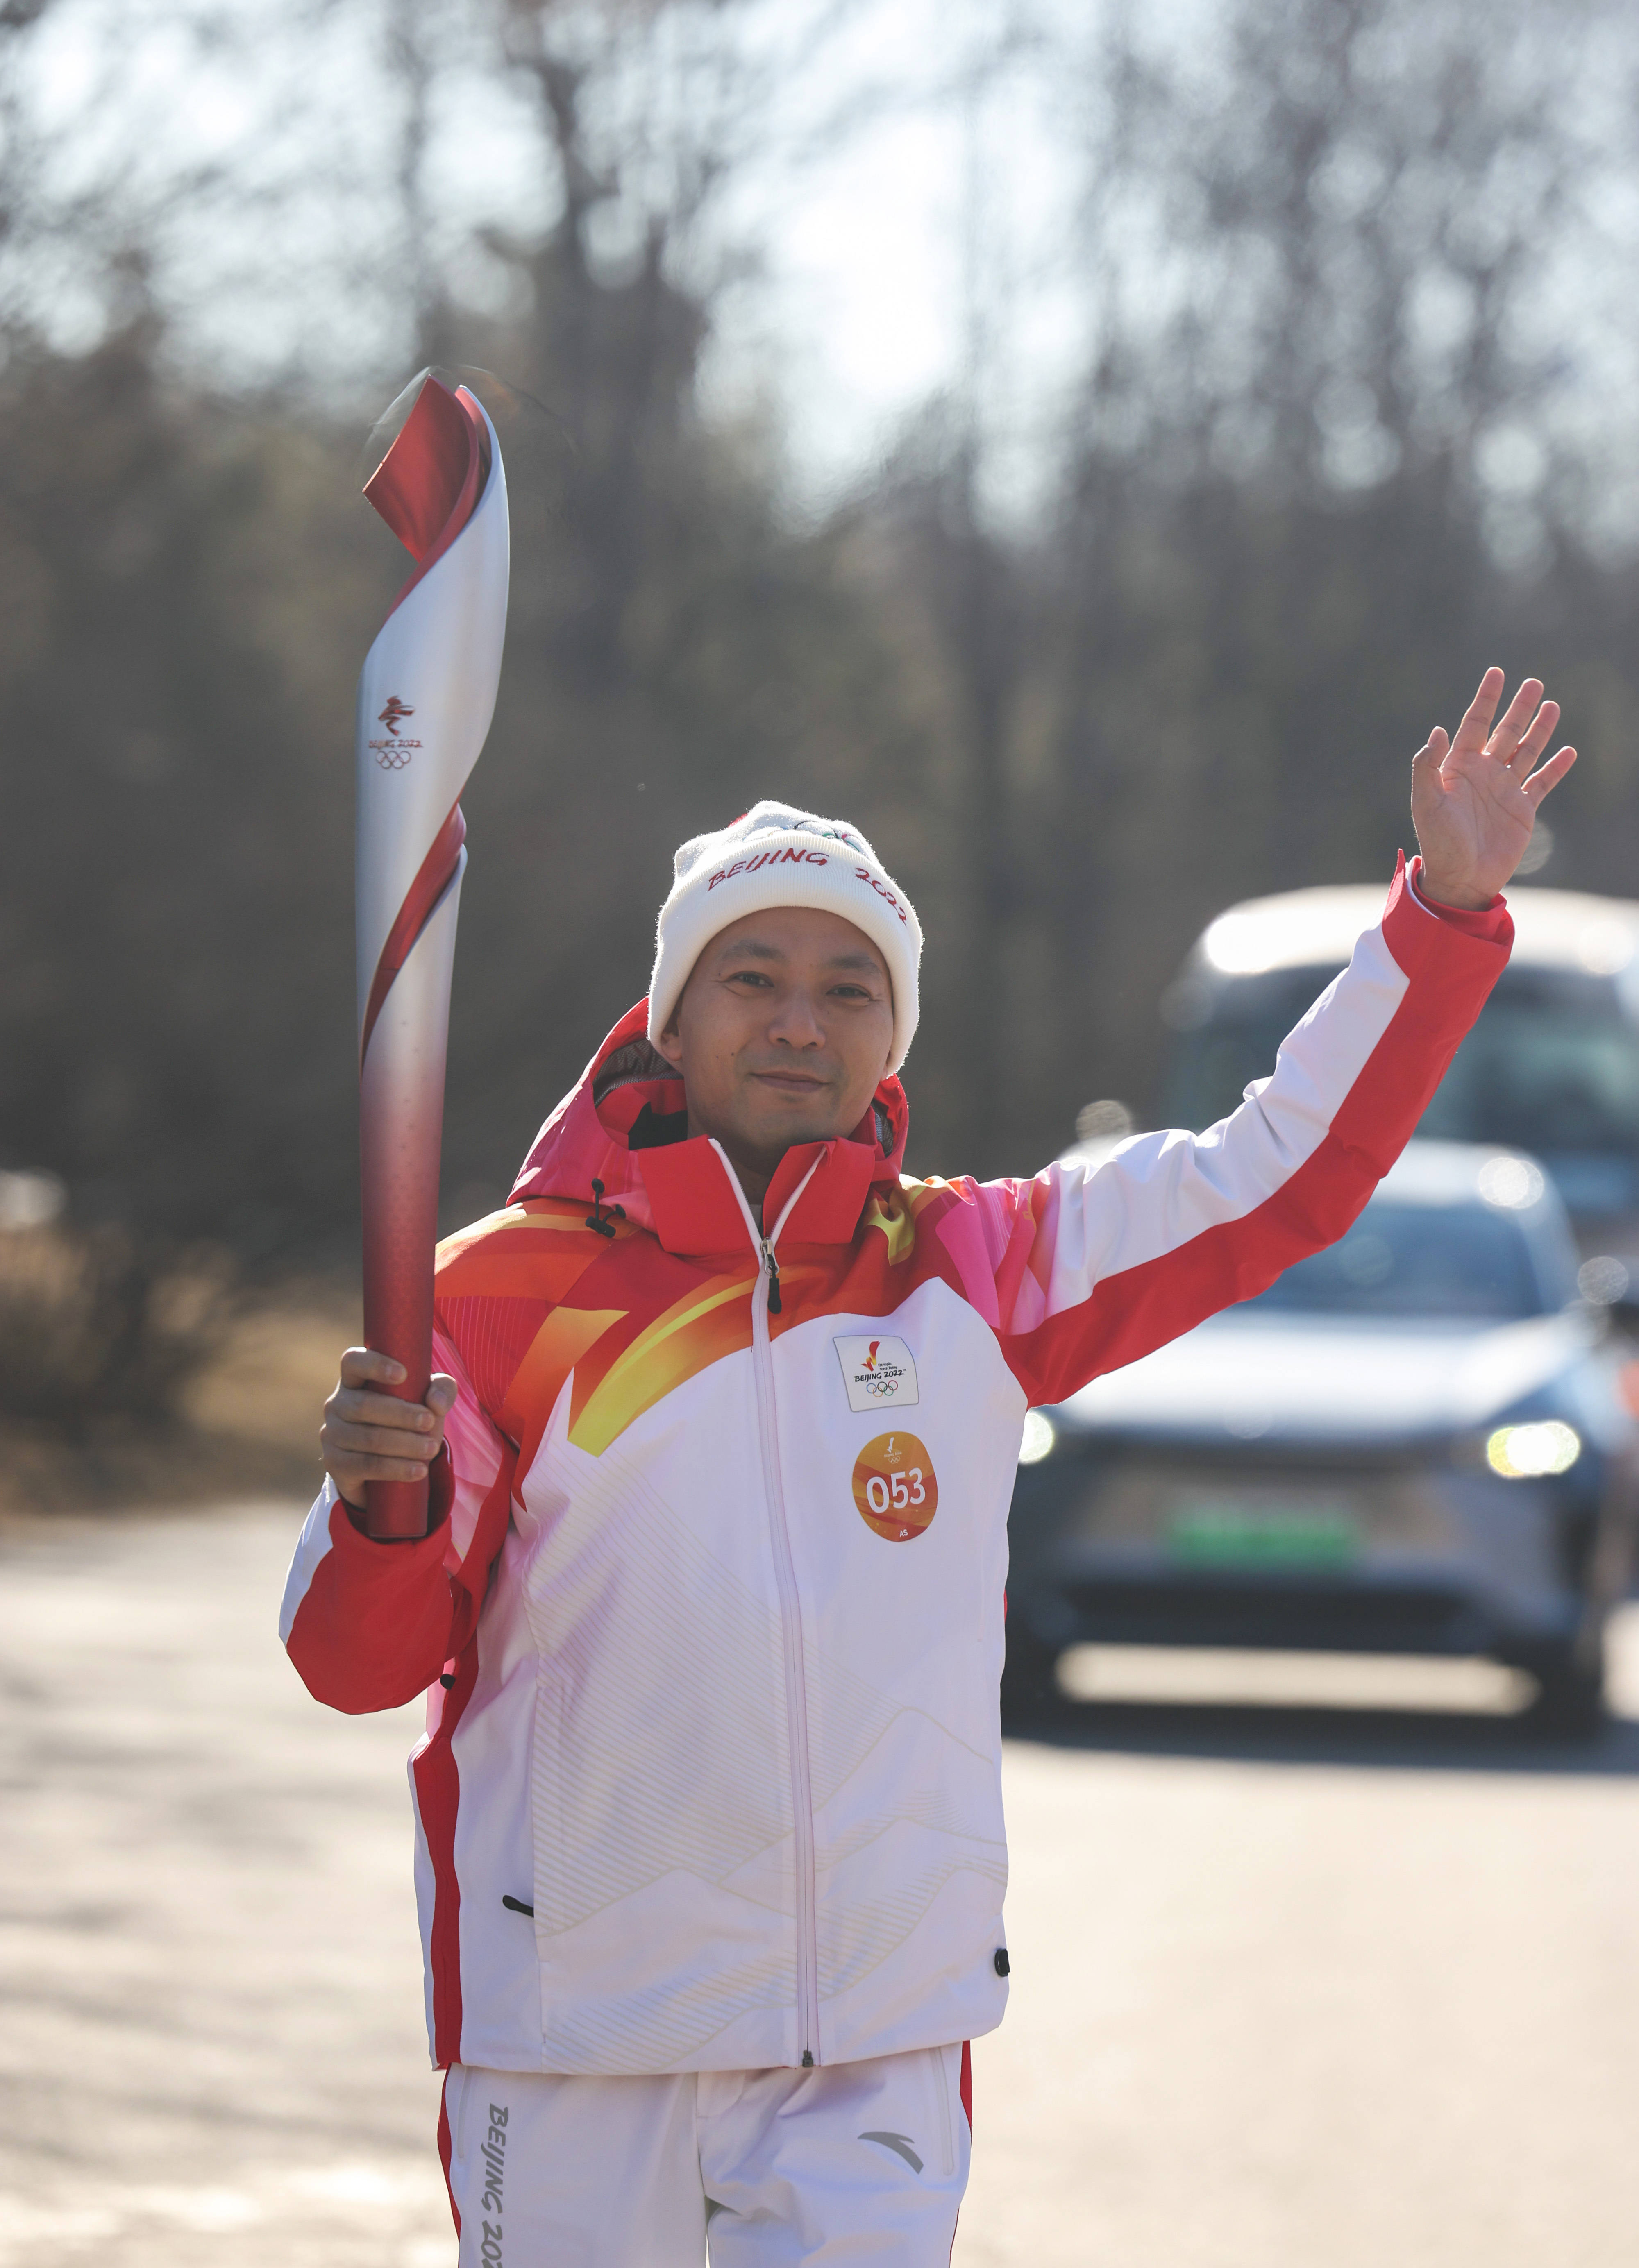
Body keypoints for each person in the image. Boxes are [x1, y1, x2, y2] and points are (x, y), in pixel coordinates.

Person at [282, 668, 1572, 2263]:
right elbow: (358, 1660)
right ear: (668, 1015)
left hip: (872, 2036)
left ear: (894, 1030)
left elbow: (1270, 1176)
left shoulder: (973, 1265)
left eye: (849, 985)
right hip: (573, 2029)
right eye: (751, 976)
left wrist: (1438, 917)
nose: (800, 1018)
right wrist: (377, 1504)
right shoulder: (498, 1293)